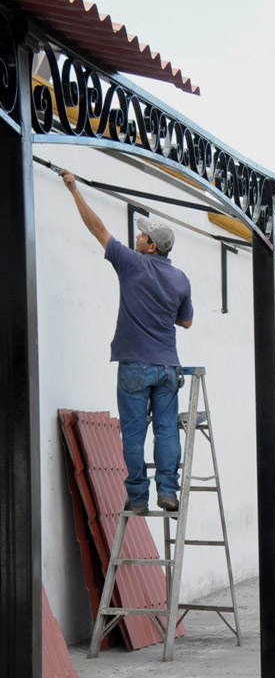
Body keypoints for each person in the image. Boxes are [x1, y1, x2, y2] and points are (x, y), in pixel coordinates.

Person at [60, 170, 193, 516]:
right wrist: (163, 312)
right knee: (166, 431)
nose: (137, 236)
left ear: (151, 246)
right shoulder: (180, 279)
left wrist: (74, 189)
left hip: (134, 365)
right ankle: (168, 490)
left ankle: (138, 497)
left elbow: (98, 229)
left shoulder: (133, 265)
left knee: (133, 434)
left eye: (143, 235)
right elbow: (187, 321)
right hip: (167, 366)